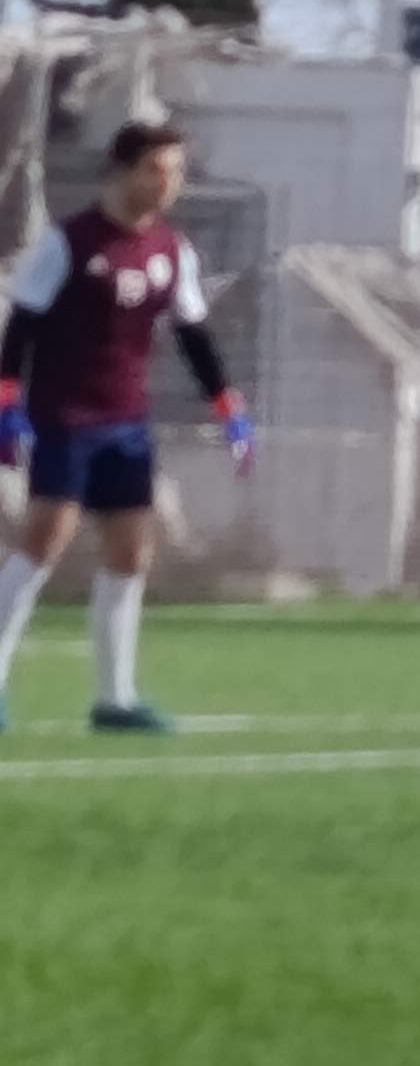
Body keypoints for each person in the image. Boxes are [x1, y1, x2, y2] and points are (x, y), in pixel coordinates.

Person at [0, 122, 252, 736]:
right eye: (156, 170)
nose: (169, 184)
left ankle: (115, 700)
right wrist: (6, 404)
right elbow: (21, 328)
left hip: (127, 422)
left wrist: (228, 405)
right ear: (123, 171)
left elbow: (193, 334)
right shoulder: (70, 242)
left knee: (132, 553)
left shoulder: (172, 250)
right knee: (43, 545)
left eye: (177, 172)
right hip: (65, 417)